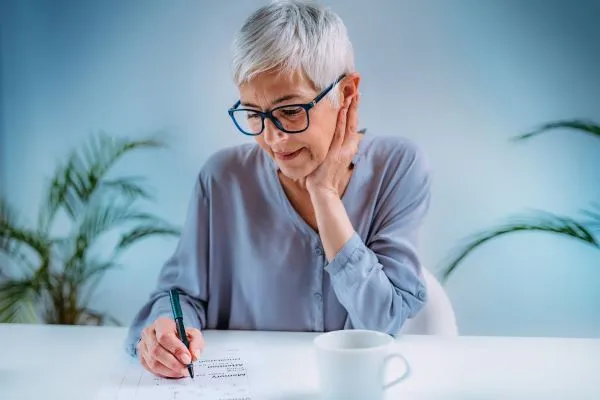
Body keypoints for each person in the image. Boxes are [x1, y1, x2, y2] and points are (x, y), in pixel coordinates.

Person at [126, 0, 431, 379]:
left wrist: (324, 194)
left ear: (347, 95)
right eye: (254, 114)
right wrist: (165, 332)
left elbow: (383, 321)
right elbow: (177, 297)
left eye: (290, 111)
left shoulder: (398, 168)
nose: (273, 138)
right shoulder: (222, 179)